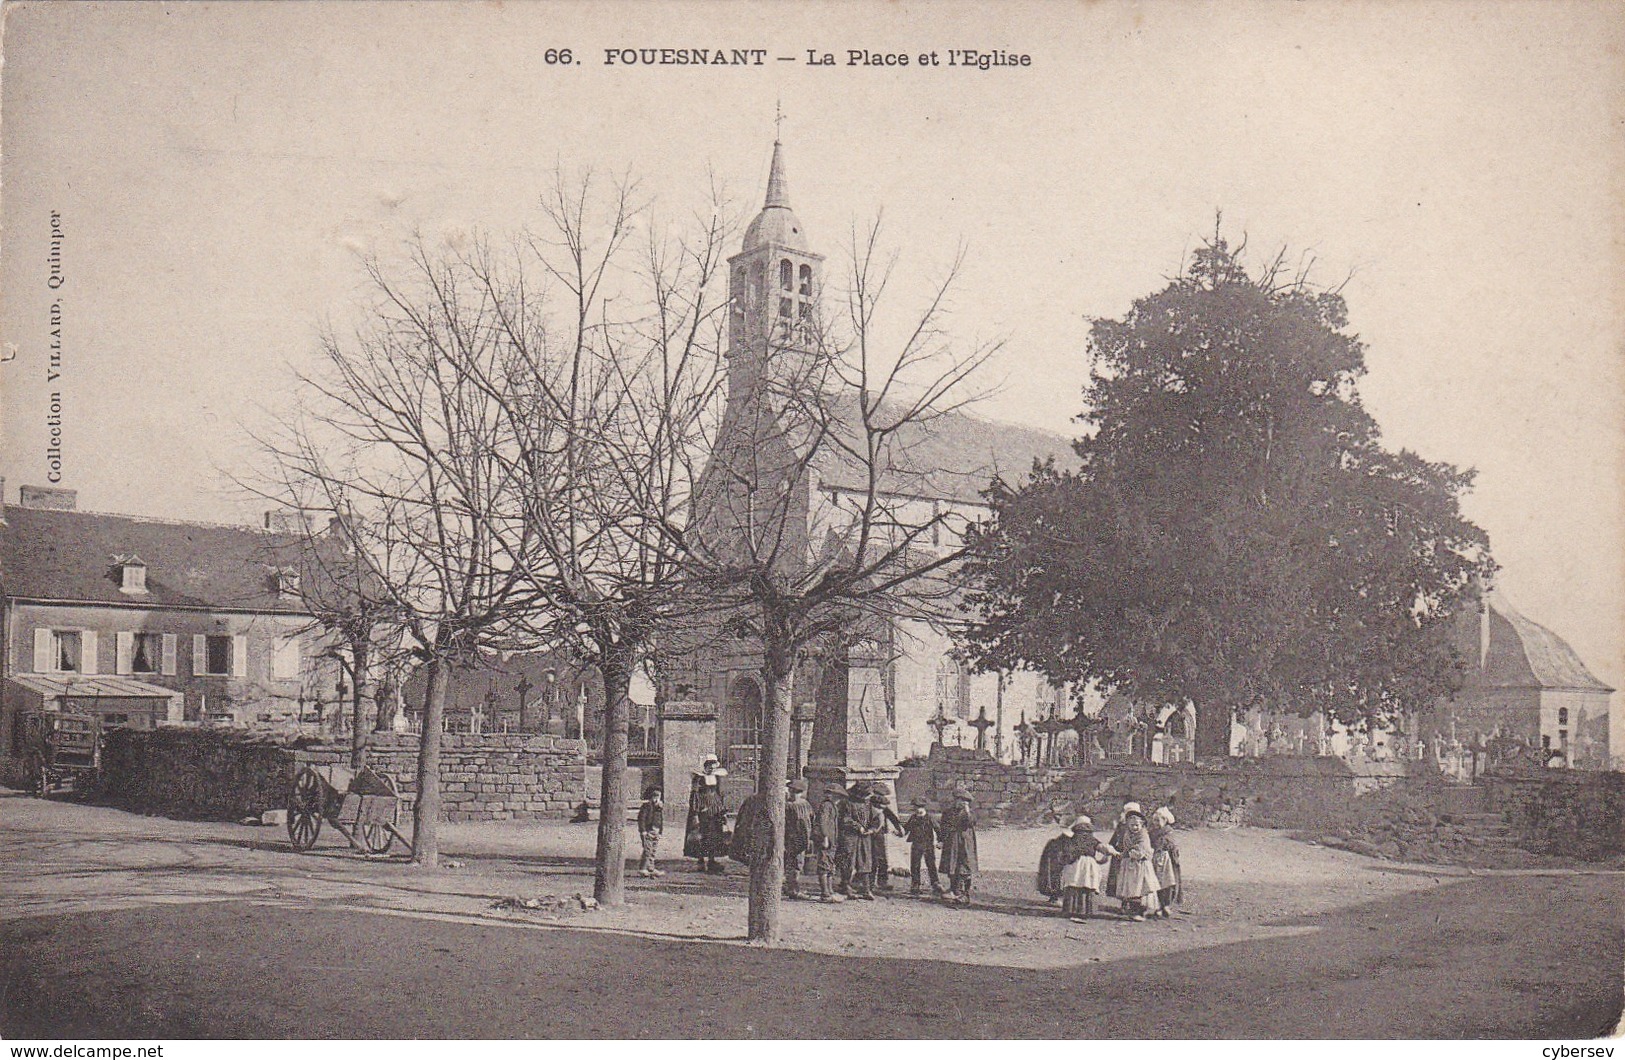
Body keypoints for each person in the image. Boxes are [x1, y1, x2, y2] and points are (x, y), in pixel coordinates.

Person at [1107, 804, 1160, 921]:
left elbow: (1141, 850)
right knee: (1130, 887)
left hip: (1140, 865)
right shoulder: (1127, 834)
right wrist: (1121, 854)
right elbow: (1125, 847)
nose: (1134, 828)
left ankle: (1140, 912)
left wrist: (1130, 853)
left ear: (1141, 824)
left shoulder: (1143, 835)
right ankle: (1130, 908)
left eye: (1137, 825)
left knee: (1139, 887)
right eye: (1132, 825)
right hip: (1129, 865)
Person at [1059, 815, 1116, 921]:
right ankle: (1086, 911)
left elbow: (1066, 852)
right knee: (1087, 885)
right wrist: (1110, 853)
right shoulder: (1092, 839)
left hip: (1075, 864)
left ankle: (1071, 910)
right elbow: (1103, 848)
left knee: (1074, 885)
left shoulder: (1072, 839)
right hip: (1089, 864)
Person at [684, 755, 729, 873]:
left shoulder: (718, 777)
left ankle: (711, 860)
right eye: (709, 764)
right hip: (702, 809)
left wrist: (722, 810)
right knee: (701, 834)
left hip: (714, 809)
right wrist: (696, 810)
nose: (711, 767)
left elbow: (720, 794)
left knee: (714, 834)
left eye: (713, 764)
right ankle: (700, 861)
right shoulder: (698, 778)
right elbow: (695, 794)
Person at [836, 782, 878, 899]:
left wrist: (872, 829)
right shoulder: (847, 803)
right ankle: (846, 886)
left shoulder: (868, 804)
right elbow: (845, 819)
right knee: (848, 862)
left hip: (864, 837)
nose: (867, 797)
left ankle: (866, 889)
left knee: (865, 862)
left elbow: (875, 819)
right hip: (849, 837)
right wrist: (857, 826)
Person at [938, 786, 978, 904]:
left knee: (964, 866)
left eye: (965, 802)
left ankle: (963, 893)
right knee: (951, 865)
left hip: (965, 843)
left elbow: (971, 822)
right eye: (959, 800)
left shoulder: (969, 813)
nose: (961, 803)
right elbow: (943, 827)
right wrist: (941, 840)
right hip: (951, 842)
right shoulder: (948, 812)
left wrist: (966, 811)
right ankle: (954, 889)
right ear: (955, 800)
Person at [902, 796, 944, 897]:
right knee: (915, 865)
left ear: (924, 808)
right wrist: (900, 832)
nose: (917, 810)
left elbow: (938, 830)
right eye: (916, 808)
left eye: (919, 808)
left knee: (931, 864)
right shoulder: (913, 818)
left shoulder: (930, 818)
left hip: (928, 845)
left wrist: (940, 841)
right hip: (916, 844)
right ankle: (915, 884)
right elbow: (906, 828)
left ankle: (935, 883)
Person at [869, 784, 905, 893]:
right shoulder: (869, 805)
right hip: (871, 834)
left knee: (882, 859)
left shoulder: (882, 806)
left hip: (880, 835)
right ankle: (870, 883)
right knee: (873, 859)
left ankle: (882, 881)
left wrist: (899, 828)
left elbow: (892, 817)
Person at [784, 778, 815, 899]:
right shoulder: (787, 805)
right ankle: (793, 889)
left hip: (803, 837)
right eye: (792, 791)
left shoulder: (805, 804)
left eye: (797, 792)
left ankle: (791, 886)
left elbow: (812, 819)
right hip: (791, 838)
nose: (794, 794)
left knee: (799, 863)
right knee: (793, 864)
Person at [1148, 806, 1181, 918]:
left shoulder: (1169, 832)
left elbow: (1173, 846)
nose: (1155, 823)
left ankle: (1166, 905)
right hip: (1155, 859)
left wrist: (1171, 850)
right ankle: (1157, 905)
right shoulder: (1151, 832)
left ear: (1165, 820)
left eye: (1158, 820)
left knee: (1167, 883)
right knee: (1156, 882)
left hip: (1167, 861)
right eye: (1154, 820)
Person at [814, 784, 844, 902]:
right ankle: (825, 893)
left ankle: (829, 890)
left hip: (832, 839)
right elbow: (822, 822)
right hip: (826, 840)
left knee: (830, 865)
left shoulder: (832, 806)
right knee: (824, 864)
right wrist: (825, 837)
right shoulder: (826, 806)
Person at [636, 785, 665, 877]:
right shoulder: (646, 806)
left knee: (653, 850)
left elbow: (660, 820)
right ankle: (643, 868)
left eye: (658, 797)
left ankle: (651, 868)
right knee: (647, 850)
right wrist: (643, 830)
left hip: (656, 831)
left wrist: (660, 832)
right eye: (655, 796)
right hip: (648, 831)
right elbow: (641, 819)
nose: (656, 799)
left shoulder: (659, 808)